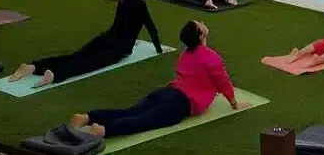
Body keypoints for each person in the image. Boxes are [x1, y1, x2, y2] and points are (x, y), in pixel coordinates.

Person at [67, 21, 249, 138]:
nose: (203, 23)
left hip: (166, 93)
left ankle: (87, 117)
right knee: (142, 121)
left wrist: (202, 40)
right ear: (201, 35)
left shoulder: (187, 53)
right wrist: (234, 103)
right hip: (179, 104)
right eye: (200, 25)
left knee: (129, 112)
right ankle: (103, 131)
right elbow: (222, 80)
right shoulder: (211, 57)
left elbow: (202, 58)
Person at [7, 0, 163, 88]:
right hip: (118, 49)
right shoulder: (141, 5)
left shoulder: (122, 1)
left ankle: (33, 66)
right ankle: (55, 74)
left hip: (105, 38)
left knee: (76, 56)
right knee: (85, 65)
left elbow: (122, 24)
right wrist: (159, 50)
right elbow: (151, 28)